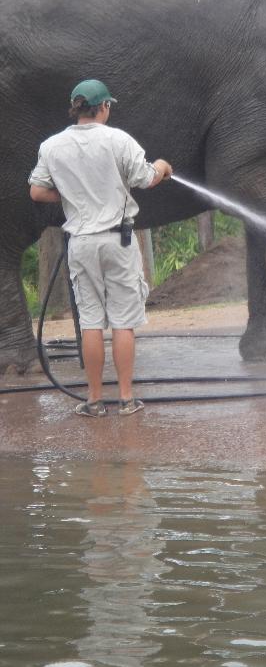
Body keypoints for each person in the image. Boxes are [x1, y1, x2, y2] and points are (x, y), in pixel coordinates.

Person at [29, 79, 173, 418]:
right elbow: (146, 178)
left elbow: (36, 192)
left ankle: (94, 400)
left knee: (91, 322)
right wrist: (163, 166)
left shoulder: (52, 146)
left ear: (75, 108)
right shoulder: (118, 139)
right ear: (104, 106)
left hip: (80, 244)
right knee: (123, 322)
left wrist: (67, 194)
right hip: (117, 241)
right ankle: (125, 399)